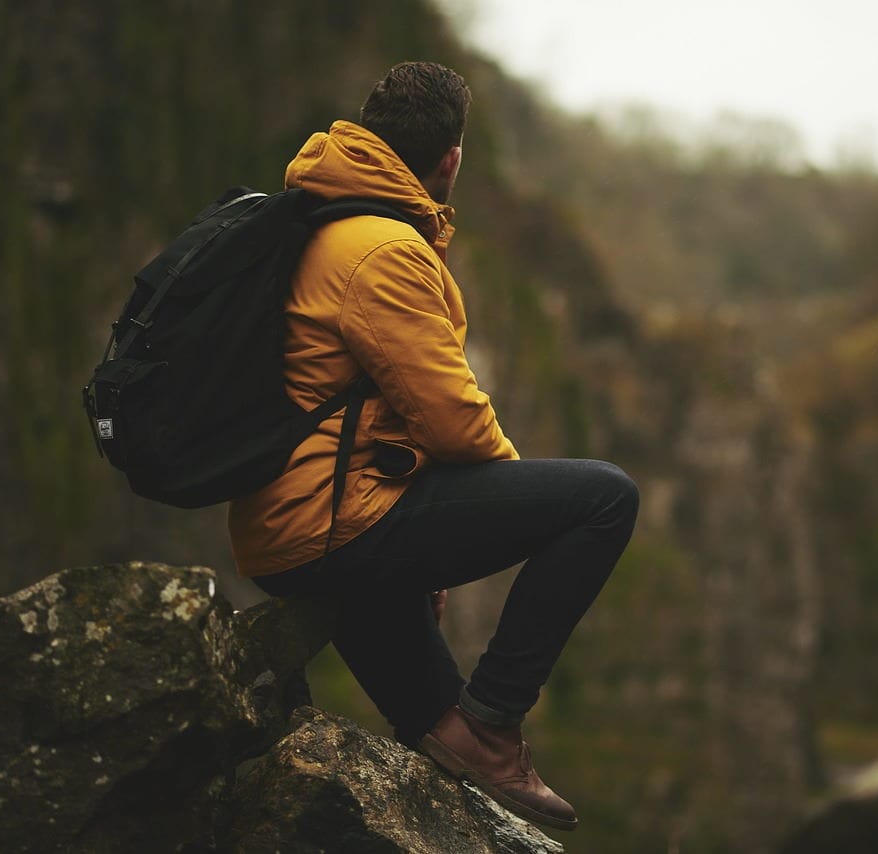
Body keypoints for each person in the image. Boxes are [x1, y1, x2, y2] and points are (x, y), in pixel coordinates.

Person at [227, 61, 639, 831]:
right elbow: (452, 418)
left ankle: (468, 742)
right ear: (449, 159)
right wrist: (493, 514)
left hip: (294, 525)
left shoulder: (317, 218)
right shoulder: (381, 249)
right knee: (604, 498)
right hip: (329, 525)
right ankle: (497, 722)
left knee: (440, 743)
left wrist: (430, 529)